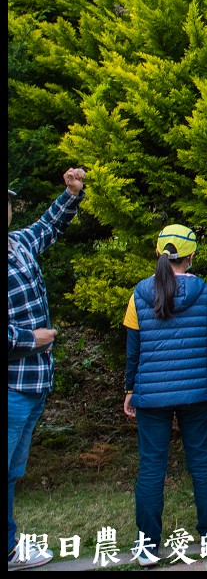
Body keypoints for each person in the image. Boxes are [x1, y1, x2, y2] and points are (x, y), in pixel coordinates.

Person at [122, 224, 207, 566]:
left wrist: (129, 389)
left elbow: (133, 350)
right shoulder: (205, 291)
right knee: (201, 461)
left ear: (158, 253)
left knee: (152, 465)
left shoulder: (139, 293)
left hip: (151, 394)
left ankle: (147, 546)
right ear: (192, 256)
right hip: (196, 392)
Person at [8, 168, 85, 571]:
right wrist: (30, 339)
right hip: (12, 384)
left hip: (34, 382)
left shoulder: (17, 243)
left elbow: (46, 227)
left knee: (10, 472)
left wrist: (71, 194)